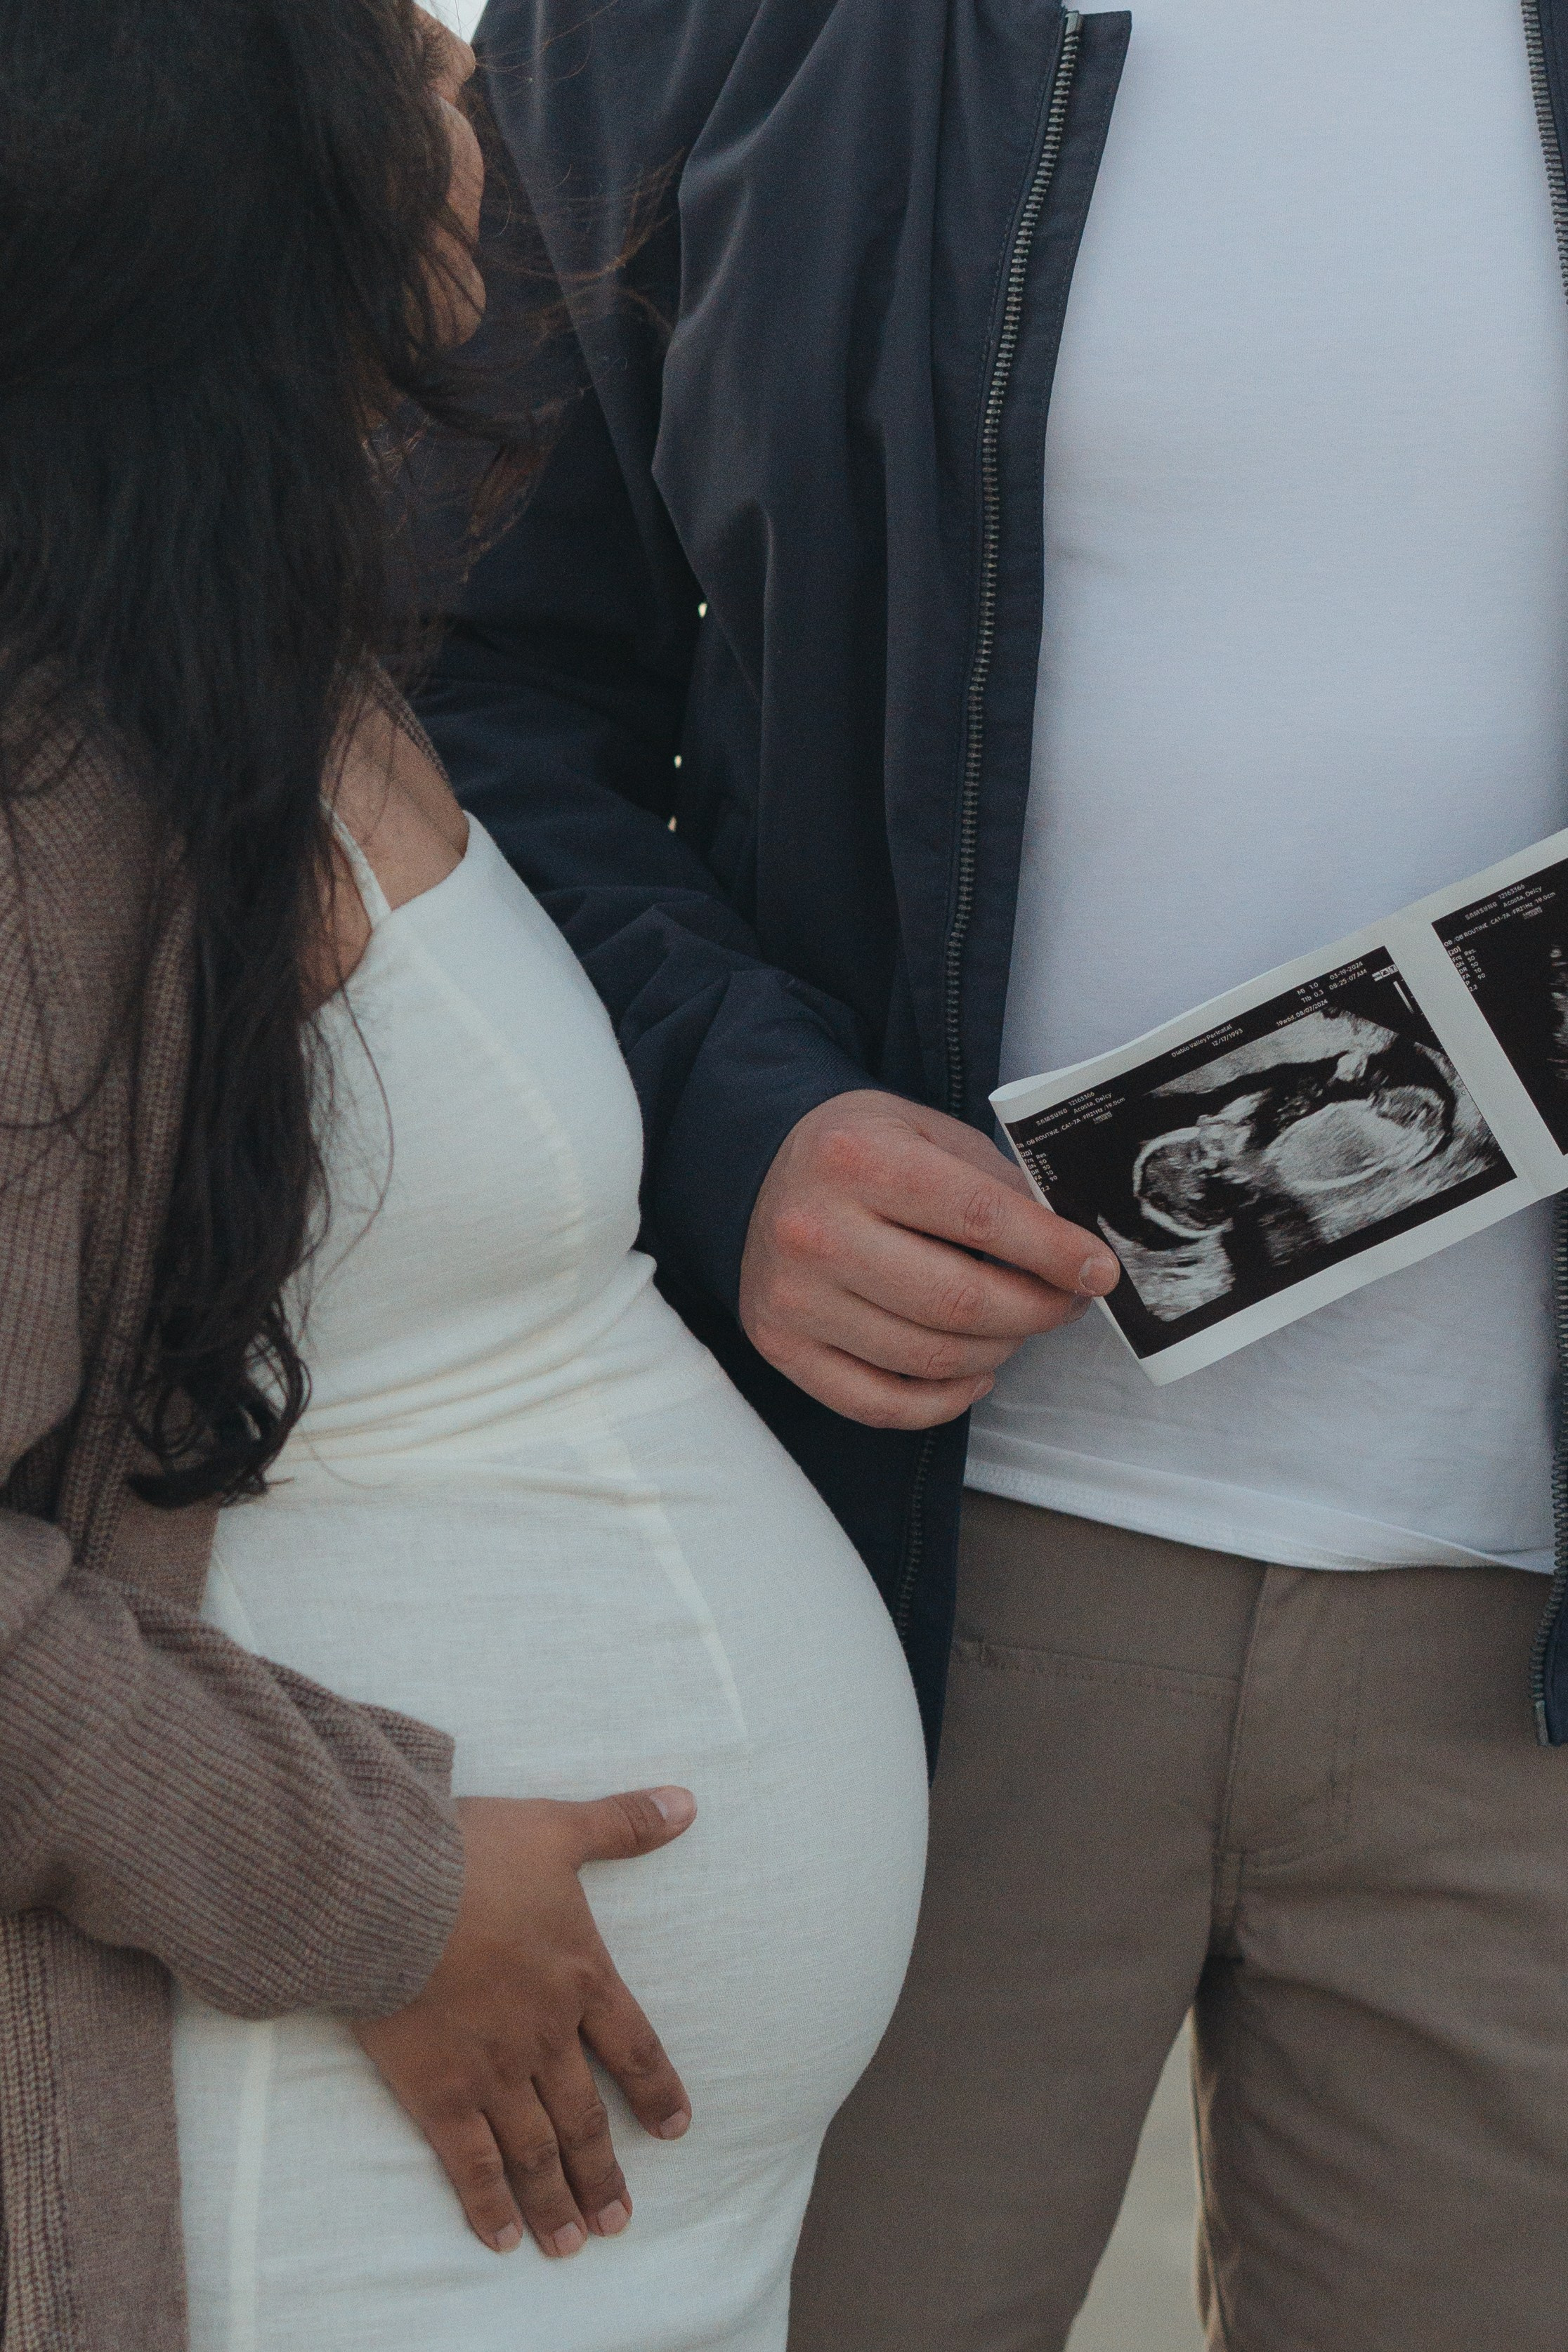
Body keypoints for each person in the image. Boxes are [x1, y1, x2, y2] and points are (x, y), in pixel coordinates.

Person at [416, 1, 1568, 2345]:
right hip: (883, 1594)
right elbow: (454, 683)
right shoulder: (666, 33)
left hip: (1523, 1677)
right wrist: (739, 1125)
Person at [0, 6, 926, 2350]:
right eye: (398, 50)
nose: (464, 68)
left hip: (545, 2187)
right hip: (313, 2126)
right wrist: (371, 1892)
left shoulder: (255, 642)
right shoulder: (42, 788)